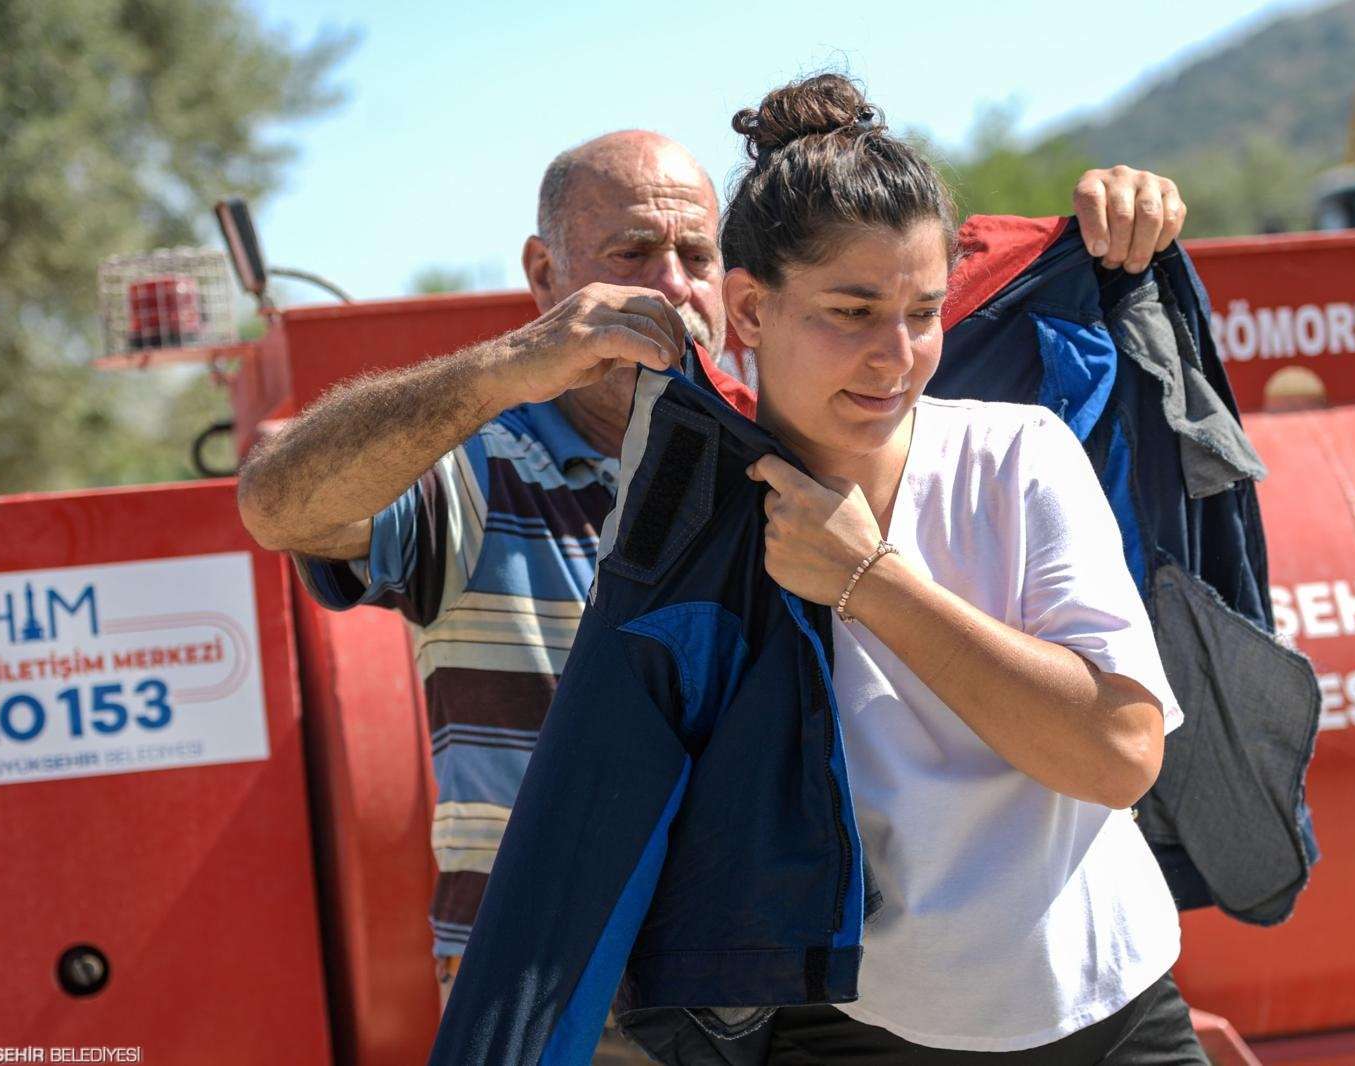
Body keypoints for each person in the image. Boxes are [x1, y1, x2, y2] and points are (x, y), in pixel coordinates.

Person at [233, 123, 1187, 1054]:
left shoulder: (781, 474)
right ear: (544, 275)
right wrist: (507, 367)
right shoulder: (484, 469)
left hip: (733, 986)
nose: (669, 286)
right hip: (559, 983)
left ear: (736, 294)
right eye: (631, 254)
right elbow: (279, 509)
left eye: (695, 254)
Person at [722, 74, 1207, 1062]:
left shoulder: (1017, 454)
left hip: (1111, 1004)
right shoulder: (696, 517)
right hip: (852, 1026)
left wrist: (872, 581)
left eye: (923, 311)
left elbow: (1119, 754)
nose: (895, 355)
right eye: (852, 310)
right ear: (748, 308)